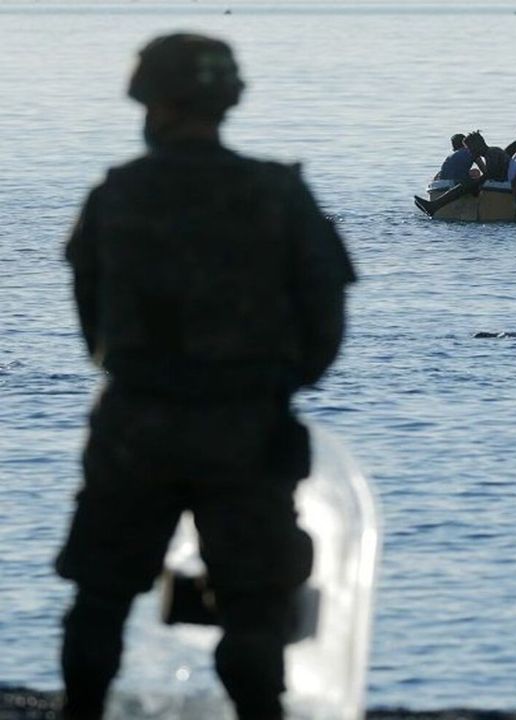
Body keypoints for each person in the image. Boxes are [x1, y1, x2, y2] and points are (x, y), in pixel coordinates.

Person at [56, 33, 356, 720]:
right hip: (249, 426)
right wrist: (276, 382)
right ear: (228, 102)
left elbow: (90, 322)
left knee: (100, 596)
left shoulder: (116, 194)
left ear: (148, 102)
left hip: (135, 424)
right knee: (254, 605)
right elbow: (326, 316)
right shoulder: (279, 194)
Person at [417, 131, 510, 215]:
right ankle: (434, 206)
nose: (469, 151)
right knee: (466, 184)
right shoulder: (489, 153)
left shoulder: (492, 152)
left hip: (502, 182)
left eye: (470, 148)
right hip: (498, 181)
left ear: (477, 145)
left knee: (465, 185)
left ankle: (434, 206)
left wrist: (474, 182)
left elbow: (491, 174)